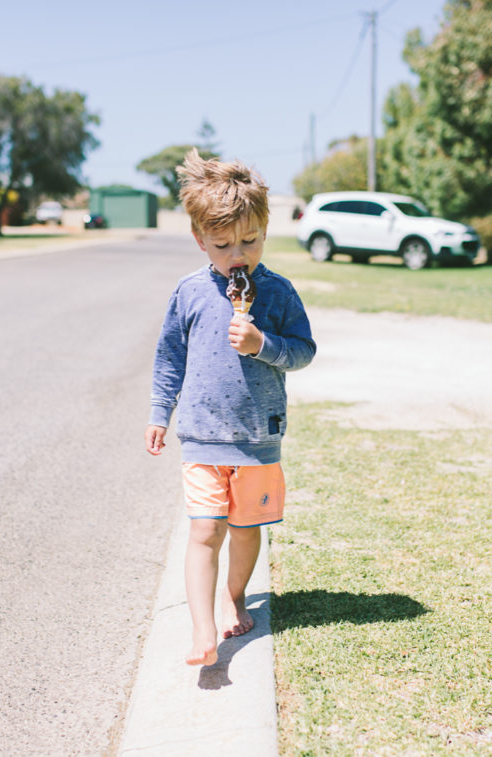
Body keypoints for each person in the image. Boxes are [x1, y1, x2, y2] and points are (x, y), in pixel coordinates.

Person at [145, 149, 316, 666]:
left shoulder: (279, 293)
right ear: (201, 240)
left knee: (246, 529)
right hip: (202, 434)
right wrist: (159, 412)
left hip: (258, 435)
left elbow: (303, 351)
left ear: (266, 230)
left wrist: (263, 343)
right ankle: (202, 630)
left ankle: (235, 596)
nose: (237, 253)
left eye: (251, 240)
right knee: (205, 528)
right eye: (222, 245)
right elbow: (169, 355)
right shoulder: (191, 292)